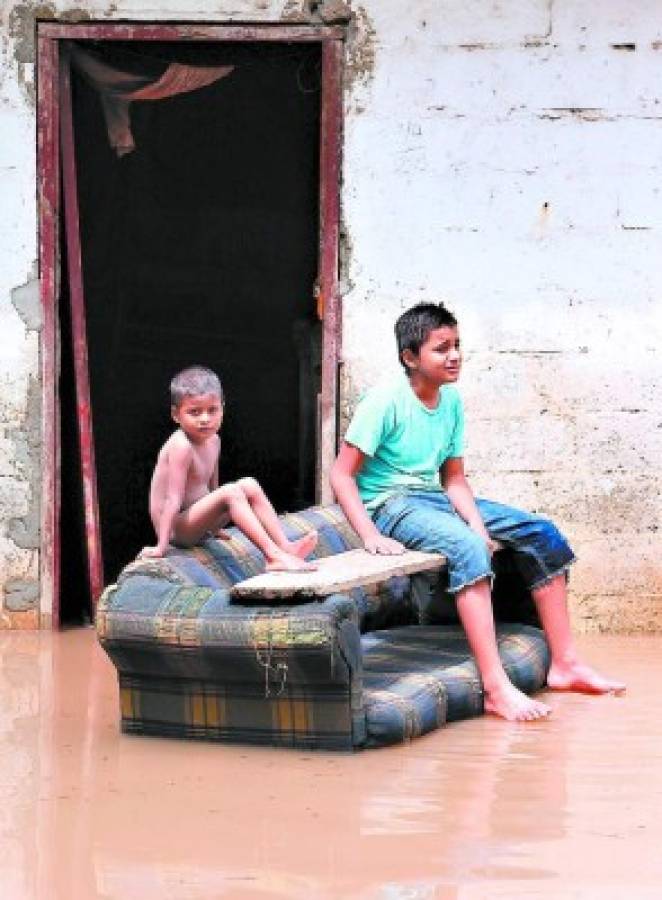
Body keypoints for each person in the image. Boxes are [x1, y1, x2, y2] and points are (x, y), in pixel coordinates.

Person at [330, 302, 625, 721]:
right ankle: (495, 687)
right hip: (391, 505)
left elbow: (453, 479)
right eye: (441, 348)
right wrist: (371, 534)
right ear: (410, 358)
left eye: (457, 345)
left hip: (433, 498)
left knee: (544, 533)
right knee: (468, 549)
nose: (454, 356)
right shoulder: (384, 401)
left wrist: (474, 521)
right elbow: (341, 475)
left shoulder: (449, 401)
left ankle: (566, 663)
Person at [140, 365, 318, 571]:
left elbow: (212, 489)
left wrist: (215, 526)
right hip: (176, 530)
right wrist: (161, 546)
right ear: (176, 415)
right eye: (194, 412)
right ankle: (272, 556)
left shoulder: (214, 440)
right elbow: (173, 499)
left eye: (212, 410)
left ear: (223, 408)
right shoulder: (181, 446)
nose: (205, 419)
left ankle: (286, 547)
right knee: (232, 491)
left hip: (200, 524)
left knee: (249, 484)